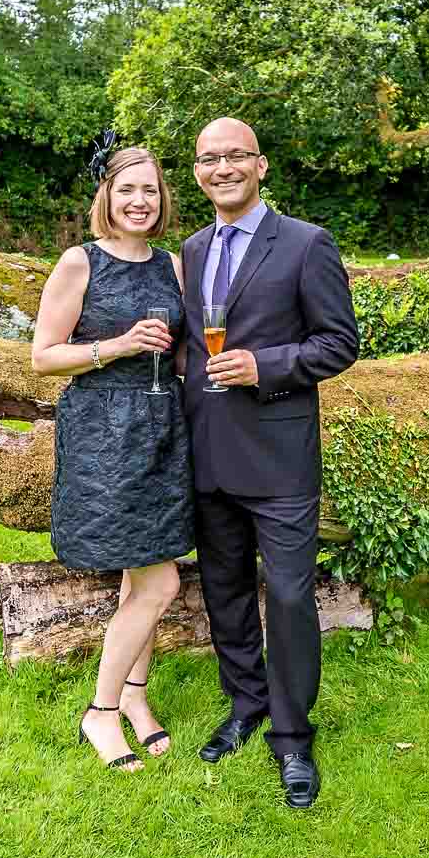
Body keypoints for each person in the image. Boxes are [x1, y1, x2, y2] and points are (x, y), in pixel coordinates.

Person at [181, 117, 359, 809]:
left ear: (260, 166)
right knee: (223, 589)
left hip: (281, 456)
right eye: (207, 158)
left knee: (286, 598)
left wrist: (267, 364)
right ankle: (245, 703)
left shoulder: (307, 244)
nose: (221, 167)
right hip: (211, 451)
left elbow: (340, 342)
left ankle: (291, 736)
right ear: (197, 173)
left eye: (233, 156)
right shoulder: (192, 250)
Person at [31, 140, 193, 771]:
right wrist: (119, 345)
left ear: (162, 198)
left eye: (149, 190)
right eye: (127, 189)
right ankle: (99, 713)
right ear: (106, 196)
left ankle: (135, 697)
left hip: (162, 427)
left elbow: (180, 353)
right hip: (103, 432)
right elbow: (43, 356)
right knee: (162, 582)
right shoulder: (80, 263)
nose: (139, 200)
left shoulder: (171, 265)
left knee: (144, 568)